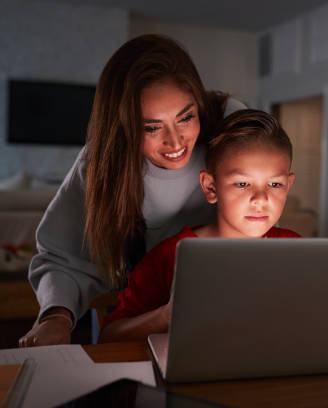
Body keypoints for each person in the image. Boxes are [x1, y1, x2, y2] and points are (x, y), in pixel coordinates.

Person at [19, 34, 245, 347]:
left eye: (186, 117)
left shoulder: (230, 124)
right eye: (152, 127)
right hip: (135, 321)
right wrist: (55, 319)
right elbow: (61, 257)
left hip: (227, 313)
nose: (176, 142)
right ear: (123, 125)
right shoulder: (100, 162)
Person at [98, 109, 300, 342]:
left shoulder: (294, 248)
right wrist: (167, 315)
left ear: (288, 185)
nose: (261, 199)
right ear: (210, 187)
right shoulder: (170, 255)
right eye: (242, 183)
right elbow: (109, 337)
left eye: (275, 184)